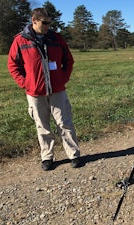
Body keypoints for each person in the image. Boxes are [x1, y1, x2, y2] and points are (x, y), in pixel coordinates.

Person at [8, 8, 81, 171]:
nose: (48, 26)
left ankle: (74, 155)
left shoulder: (56, 38)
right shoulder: (20, 41)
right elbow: (13, 65)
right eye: (45, 23)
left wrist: (63, 78)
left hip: (57, 90)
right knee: (42, 126)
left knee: (65, 123)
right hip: (35, 93)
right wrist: (25, 83)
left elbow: (68, 60)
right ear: (34, 20)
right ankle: (47, 157)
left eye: (50, 22)